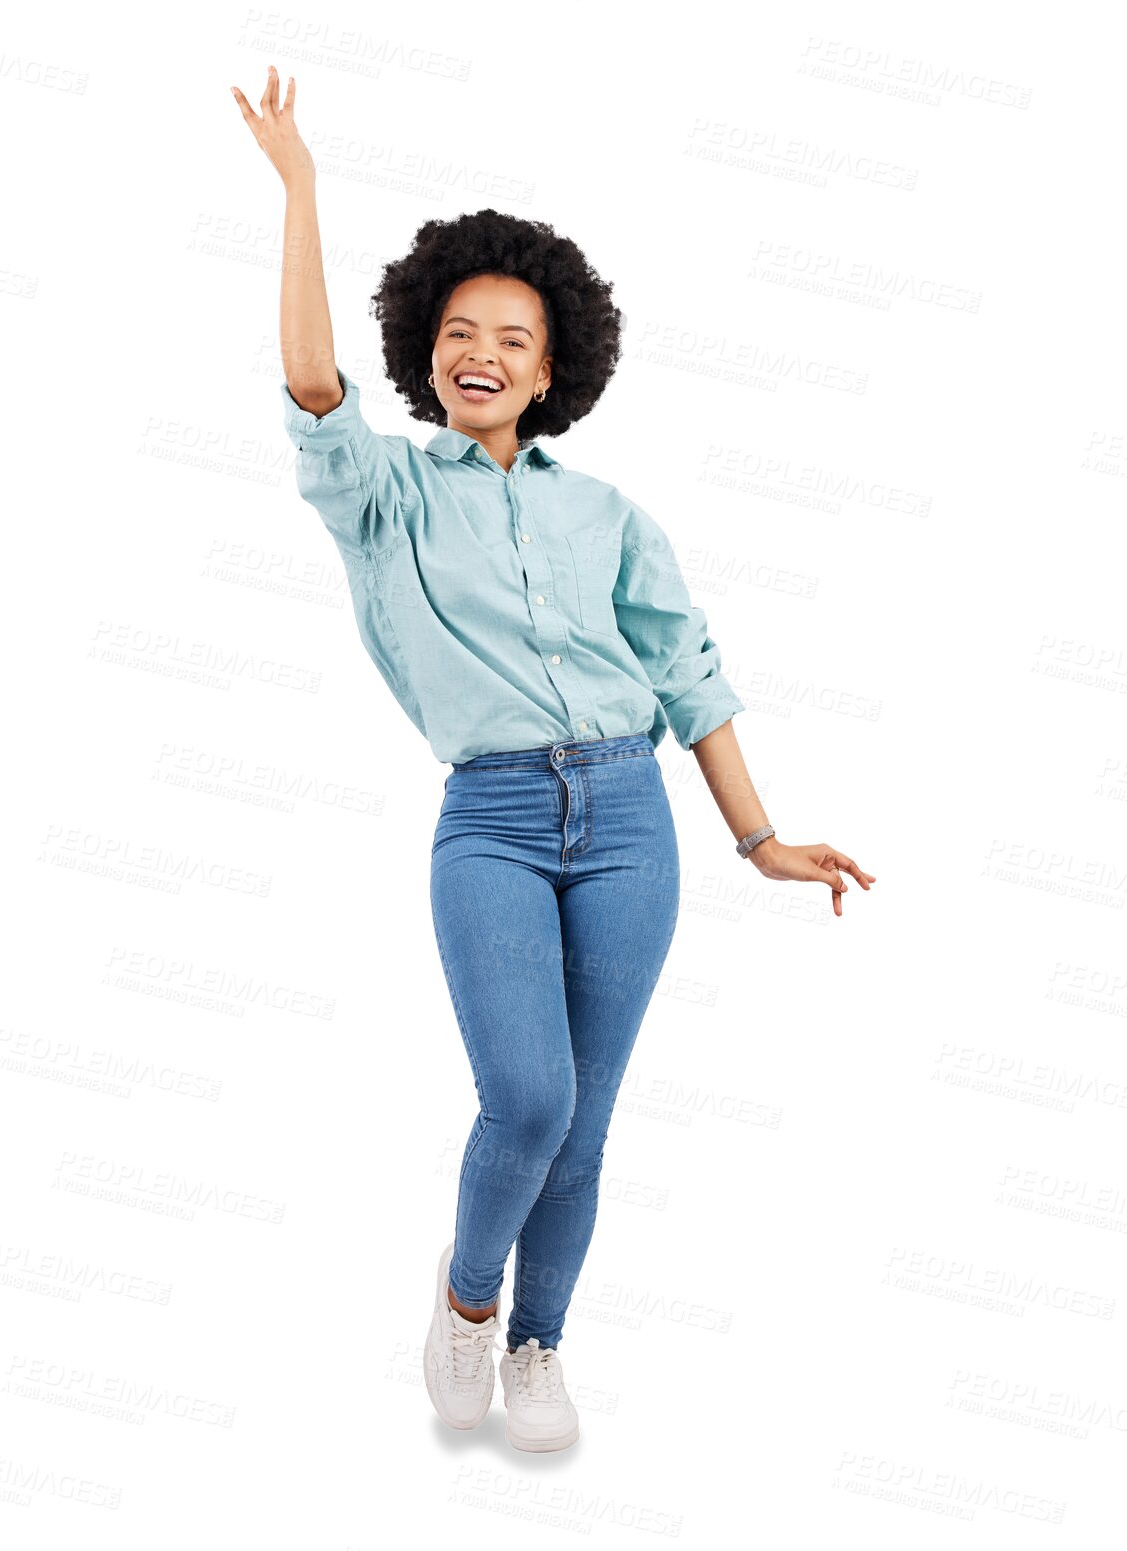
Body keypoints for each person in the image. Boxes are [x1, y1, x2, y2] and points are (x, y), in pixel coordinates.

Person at [233, 67, 877, 1453]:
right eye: (459, 332)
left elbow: (690, 677)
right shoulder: (384, 496)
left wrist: (759, 838)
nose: (485, 353)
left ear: (552, 364)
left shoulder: (610, 516)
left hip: (634, 817)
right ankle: (469, 1305)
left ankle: (540, 1348)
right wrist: (303, 191)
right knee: (526, 1096)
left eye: (514, 339)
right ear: (425, 348)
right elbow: (307, 386)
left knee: (583, 1127)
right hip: (496, 820)